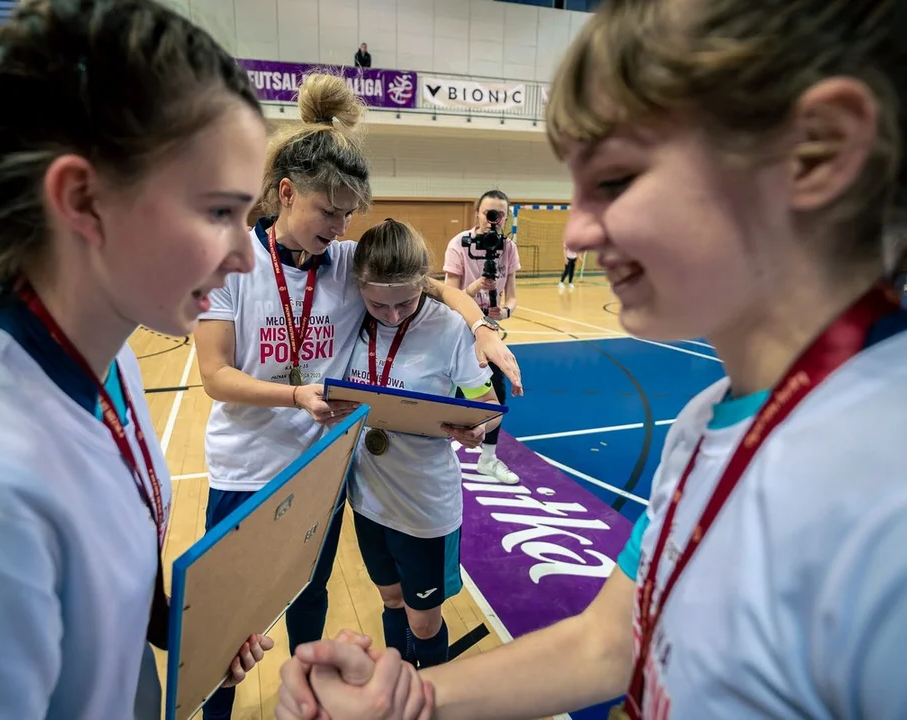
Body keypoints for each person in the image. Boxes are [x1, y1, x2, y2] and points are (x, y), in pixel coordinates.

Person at [275, 1, 907, 718]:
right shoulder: (708, 419)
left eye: (614, 180)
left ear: (815, 152)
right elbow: (612, 642)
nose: (574, 230)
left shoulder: (885, 499)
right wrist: (408, 702)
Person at [0, 0, 274, 716]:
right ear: (82, 199)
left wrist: (176, 626)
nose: (245, 257)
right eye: (220, 212)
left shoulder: (106, 355)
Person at [194, 73, 521, 720]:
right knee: (227, 632)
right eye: (329, 211)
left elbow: (432, 287)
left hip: (321, 473)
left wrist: (481, 328)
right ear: (286, 193)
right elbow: (215, 376)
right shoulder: (232, 260)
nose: (341, 226)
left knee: (308, 609)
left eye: (349, 215)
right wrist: (297, 398)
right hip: (245, 471)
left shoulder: (347, 262)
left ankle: (309, 706)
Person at [346, 219, 503, 671]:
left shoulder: (449, 327)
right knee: (392, 601)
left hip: (424, 509)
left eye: (406, 302)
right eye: (379, 304)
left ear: (424, 286)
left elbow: (487, 404)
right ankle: (397, 685)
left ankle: (433, 697)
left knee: (425, 624)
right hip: (368, 499)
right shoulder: (351, 314)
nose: (392, 316)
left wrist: (476, 428)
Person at [444, 189, 521, 485]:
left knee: (496, 394)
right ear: (477, 213)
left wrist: (506, 311)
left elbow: (513, 295)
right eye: (488, 213)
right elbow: (450, 296)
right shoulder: (459, 245)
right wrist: (477, 285)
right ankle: (446, 446)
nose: (493, 220)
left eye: (499, 214)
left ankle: (487, 459)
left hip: (490, 329)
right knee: (453, 391)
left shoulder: (509, 248)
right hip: (459, 327)